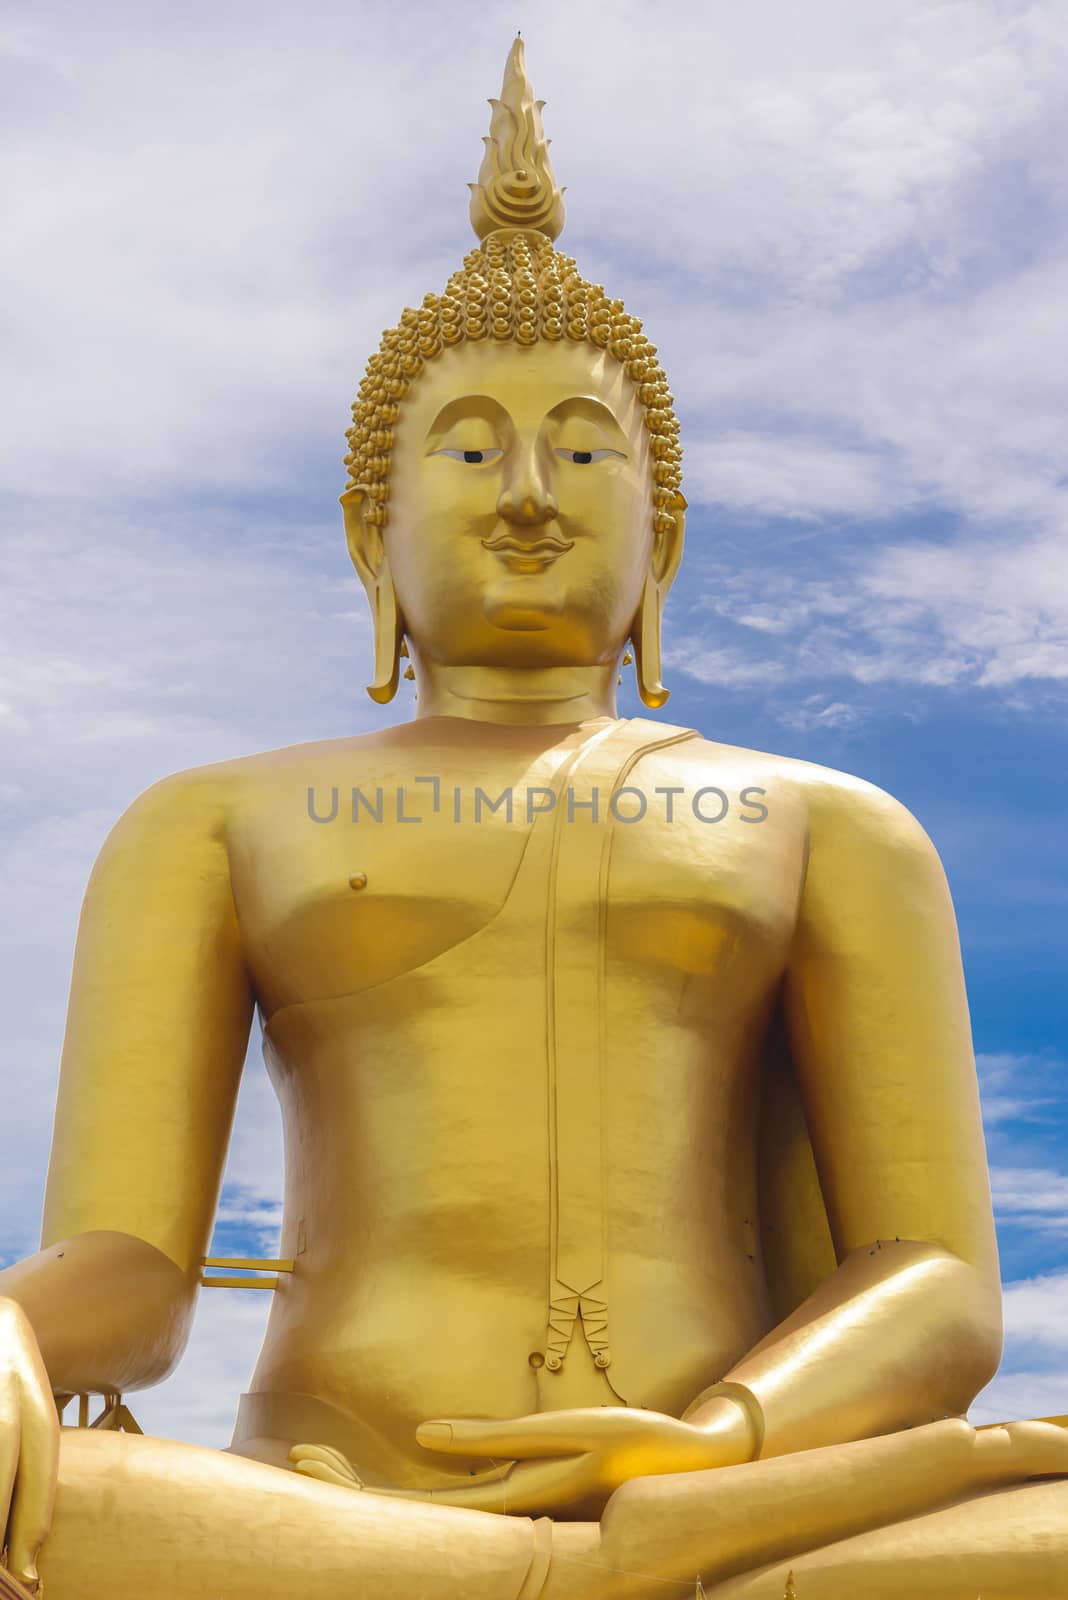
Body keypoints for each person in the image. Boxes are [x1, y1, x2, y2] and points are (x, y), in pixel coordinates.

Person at [2, 38, 1066, 1600]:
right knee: (64, 1497)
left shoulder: (829, 823)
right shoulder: (215, 820)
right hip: (336, 1504)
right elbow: (139, 1276)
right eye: (470, 447)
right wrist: (16, 1330)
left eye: (585, 448)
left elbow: (938, 1284)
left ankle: (642, 1551)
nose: (528, 492)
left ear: (665, 543)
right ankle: (582, 1579)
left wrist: (721, 1438)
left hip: (749, 1494)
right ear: (374, 536)